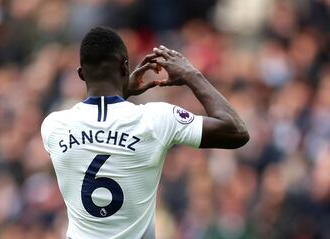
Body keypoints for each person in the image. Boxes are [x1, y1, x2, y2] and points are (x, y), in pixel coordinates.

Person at [41, 27, 249, 239]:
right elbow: (236, 131)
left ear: (81, 74)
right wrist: (191, 75)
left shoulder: (54, 126)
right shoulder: (155, 119)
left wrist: (123, 91)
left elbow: (100, 128)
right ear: (125, 68)